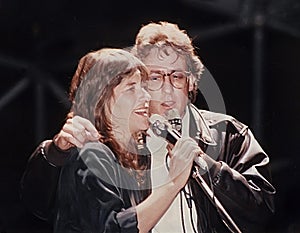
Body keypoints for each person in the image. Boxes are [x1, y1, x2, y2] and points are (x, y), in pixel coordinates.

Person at [21, 21, 276, 233]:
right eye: (154, 77)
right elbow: (41, 204)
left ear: (191, 82)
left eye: (176, 76)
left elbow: (261, 208)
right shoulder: (115, 142)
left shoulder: (227, 134)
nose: (166, 88)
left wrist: (201, 162)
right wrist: (56, 151)